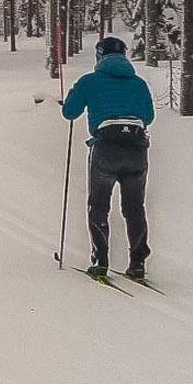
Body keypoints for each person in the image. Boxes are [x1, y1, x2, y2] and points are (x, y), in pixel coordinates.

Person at [60, 36, 157, 281]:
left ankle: (100, 260)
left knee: (99, 205)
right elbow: (148, 116)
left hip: (106, 147)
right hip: (136, 147)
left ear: (99, 56)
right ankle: (137, 262)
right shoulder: (139, 83)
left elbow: (69, 112)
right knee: (134, 208)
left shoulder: (89, 81)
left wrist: (74, 94)